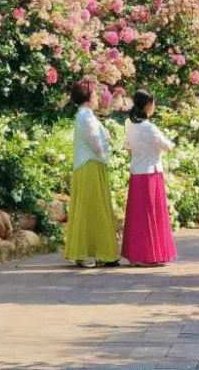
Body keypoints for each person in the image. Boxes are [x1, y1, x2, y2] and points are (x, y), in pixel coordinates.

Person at [63, 78, 121, 268]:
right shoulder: (86, 118)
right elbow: (97, 146)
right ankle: (90, 253)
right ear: (87, 97)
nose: (97, 98)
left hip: (91, 166)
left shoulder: (86, 116)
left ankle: (94, 252)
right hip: (91, 166)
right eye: (95, 94)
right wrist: (107, 140)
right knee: (92, 210)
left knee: (92, 209)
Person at [120, 89, 178, 267]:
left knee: (137, 215)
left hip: (136, 172)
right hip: (151, 174)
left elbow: (128, 149)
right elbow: (167, 146)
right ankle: (149, 255)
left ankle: (136, 255)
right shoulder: (150, 128)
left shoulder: (131, 126)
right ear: (148, 105)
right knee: (152, 215)